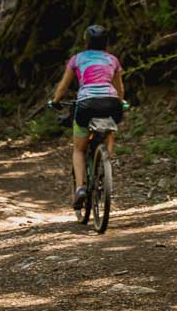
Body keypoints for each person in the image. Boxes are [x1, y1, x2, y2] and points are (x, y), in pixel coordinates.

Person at [51, 24, 124, 210]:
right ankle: (105, 164)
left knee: (79, 149)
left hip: (86, 104)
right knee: (110, 131)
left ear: (86, 41)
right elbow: (120, 88)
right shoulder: (113, 60)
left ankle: (80, 188)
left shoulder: (77, 59)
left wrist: (56, 101)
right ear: (106, 42)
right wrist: (120, 102)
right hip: (110, 102)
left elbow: (63, 86)